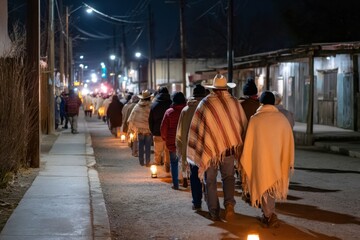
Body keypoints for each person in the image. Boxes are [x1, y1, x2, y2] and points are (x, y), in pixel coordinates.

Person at [187, 74, 248, 221]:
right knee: (228, 177)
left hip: (211, 151)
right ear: (226, 88)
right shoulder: (234, 103)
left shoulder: (205, 103)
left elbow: (197, 128)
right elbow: (242, 125)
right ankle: (229, 206)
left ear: (213, 89)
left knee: (211, 180)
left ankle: (214, 211)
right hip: (229, 150)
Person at [240, 91, 295, 228]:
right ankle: (269, 213)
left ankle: (269, 215)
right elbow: (288, 141)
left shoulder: (255, 119)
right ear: (274, 103)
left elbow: (249, 144)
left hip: (261, 161)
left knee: (265, 187)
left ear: (261, 103)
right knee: (270, 188)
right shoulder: (281, 119)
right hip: (277, 160)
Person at [176, 84, 207, 208]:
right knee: (208, 175)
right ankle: (211, 203)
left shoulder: (185, 110)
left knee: (194, 175)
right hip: (205, 147)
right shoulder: (206, 108)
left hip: (191, 149)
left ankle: (197, 202)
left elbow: (179, 133)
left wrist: (180, 147)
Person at [161, 91, 186, 190]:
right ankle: (185, 179)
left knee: (174, 163)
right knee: (185, 162)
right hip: (184, 141)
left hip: (173, 142)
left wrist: (165, 138)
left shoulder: (169, 112)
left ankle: (175, 184)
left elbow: (163, 128)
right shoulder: (186, 110)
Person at [149, 86, 172, 171]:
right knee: (167, 152)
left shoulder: (154, 105)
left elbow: (150, 120)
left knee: (157, 152)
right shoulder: (171, 104)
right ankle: (167, 168)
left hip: (157, 131)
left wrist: (153, 131)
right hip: (168, 133)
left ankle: (157, 170)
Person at [128, 90, 152, 167]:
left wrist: (132, 128)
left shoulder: (137, 106)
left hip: (139, 131)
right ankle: (147, 161)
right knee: (148, 147)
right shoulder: (151, 106)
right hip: (148, 130)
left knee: (140, 146)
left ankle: (141, 161)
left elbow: (131, 118)